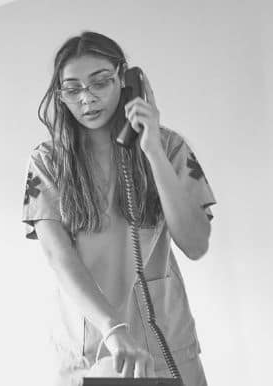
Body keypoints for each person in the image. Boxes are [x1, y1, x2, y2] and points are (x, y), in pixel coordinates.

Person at [21, 31, 216, 386]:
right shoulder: (47, 161)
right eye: (72, 89)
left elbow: (196, 243)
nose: (87, 98)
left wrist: (152, 149)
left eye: (100, 82)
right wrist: (112, 326)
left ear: (126, 82)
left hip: (166, 342)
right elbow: (57, 256)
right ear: (60, 96)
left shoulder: (170, 147)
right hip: (93, 346)